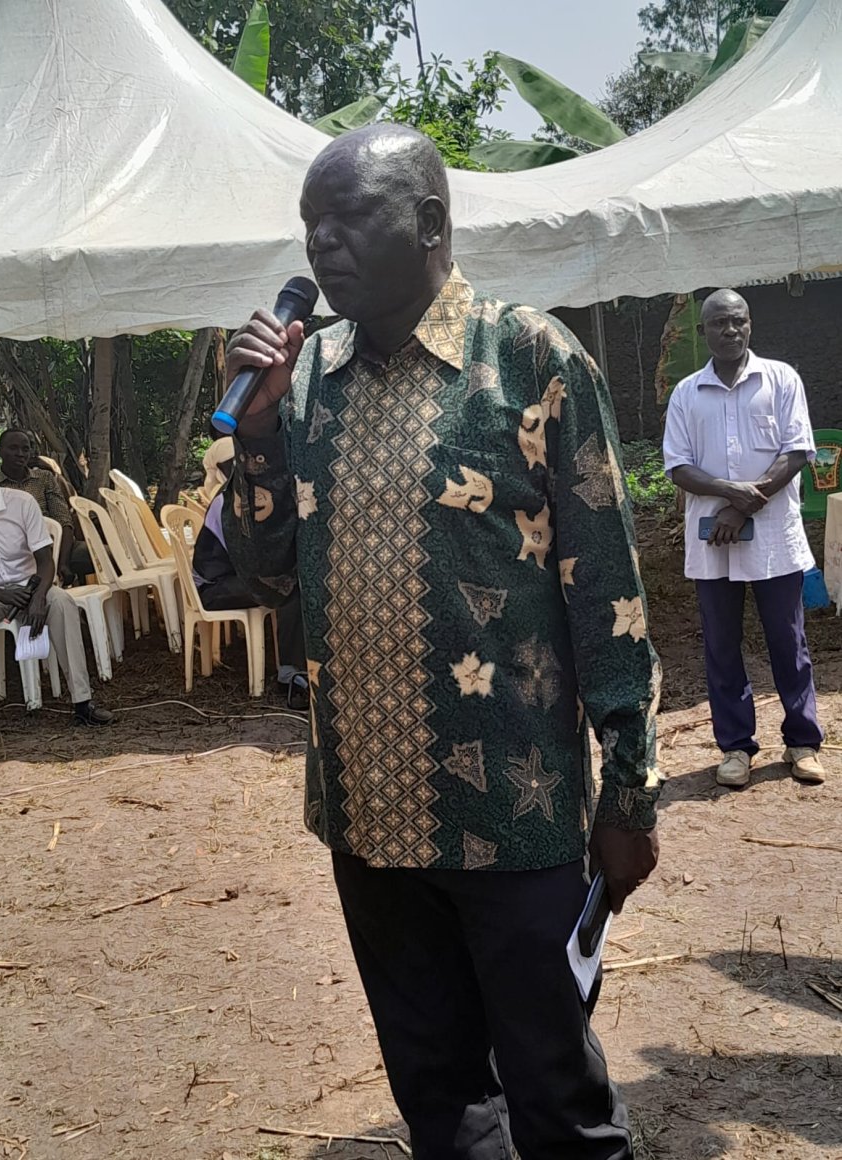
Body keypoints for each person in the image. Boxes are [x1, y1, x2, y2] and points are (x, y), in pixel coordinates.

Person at [223, 124, 661, 1160]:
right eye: (308, 226)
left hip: (514, 816)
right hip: (365, 815)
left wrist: (630, 789)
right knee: (439, 1099)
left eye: (347, 218)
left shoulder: (531, 358)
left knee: (558, 1094)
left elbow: (609, 592)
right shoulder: (309, 376)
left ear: (428, 222)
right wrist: (254, 435)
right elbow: (264, 569)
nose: (321, 243)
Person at [663, 289, 824, 787]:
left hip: (773, 538)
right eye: (719, 324)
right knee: (721, 646)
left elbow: (797, 452)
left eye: (738, 322)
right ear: (703, 331)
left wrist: (738, 504)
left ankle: (802, 742)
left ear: (750, 325)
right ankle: (735, 748)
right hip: (714, 544)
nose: (730, 331)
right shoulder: (687, 394)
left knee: (788, 640)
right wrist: (725, 492)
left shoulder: (780, 379)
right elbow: (678, 466)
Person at [0, 455, 112, 726]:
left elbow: (46, 560)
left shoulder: (20, 503)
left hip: (32, 587)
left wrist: (37, 599)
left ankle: (82, 702)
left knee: (61, 604)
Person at [192, 442, 309, 707]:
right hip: (215, 587)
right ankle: (291, 677)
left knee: (295, 581)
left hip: (236, 577)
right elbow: (251, 558)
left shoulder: (251, 495)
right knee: (288, 587)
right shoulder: (231, 501)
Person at [0, 429, 77, 585]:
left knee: (97, 556)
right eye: (13, 448)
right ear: (0, 452)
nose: (20, 453)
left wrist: (63, 562)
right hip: (15, 553)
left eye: (25, 449)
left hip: (55, 545)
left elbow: (64, 520)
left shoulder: (44, 478)